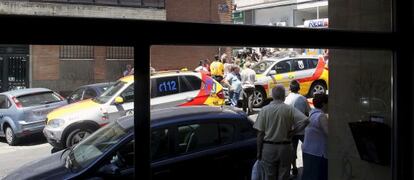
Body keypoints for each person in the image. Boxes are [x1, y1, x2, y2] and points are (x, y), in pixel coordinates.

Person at [253, 85, 309, 180]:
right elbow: (306, 120)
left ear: (273, 95)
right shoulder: (289, 109)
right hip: (285, 147)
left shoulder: (264, 110)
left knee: (269, 175)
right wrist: (294, 132)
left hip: (268, 148)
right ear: (283, 96)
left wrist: (259, 152)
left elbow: (260, 134)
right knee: (284, 175)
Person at [284, 80, 311, 177]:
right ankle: (308, 167)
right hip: (303, 129)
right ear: (299, 88)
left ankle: (294, 168)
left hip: (291, 130)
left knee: (292, 150)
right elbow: (308, 113)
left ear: (290, 88)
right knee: (308, 148)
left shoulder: (286, 100)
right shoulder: (302, 98)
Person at [301, 93, 328, 180]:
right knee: (318, 175)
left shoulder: (312, 114)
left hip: (307, 151)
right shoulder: (321, 116)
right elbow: (329, 133)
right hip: (317, 153)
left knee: (308, 175)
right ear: (324, 104)